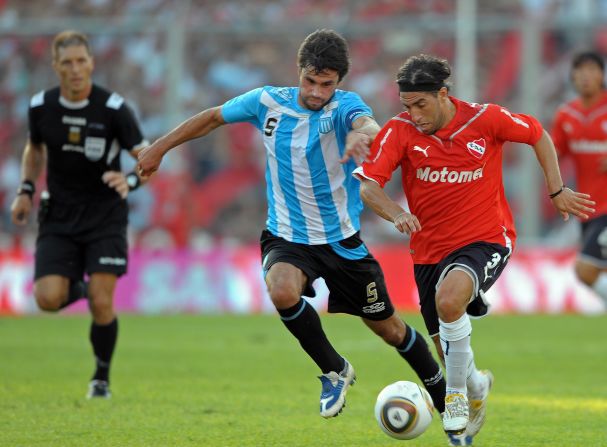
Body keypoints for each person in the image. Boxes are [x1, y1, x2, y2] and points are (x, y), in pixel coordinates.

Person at [137, 29, 447, 420]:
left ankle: (442, 390)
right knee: (281, 289)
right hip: (287, 237)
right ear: (298, 71)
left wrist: (364, 137)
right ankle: (334, 369)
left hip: (341, 242)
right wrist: (158, 147)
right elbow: (212, 118)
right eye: (310, 81)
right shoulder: (266, 101)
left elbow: (368, 125)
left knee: (389, 329)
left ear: (339, 83)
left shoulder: (345, 107)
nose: (317, 92)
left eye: (327, 84)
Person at [354, 54, 595, 445]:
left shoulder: (485, 120)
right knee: (447, 347)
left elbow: (537, 134)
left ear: (443, 94)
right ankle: (476, 386)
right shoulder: (399, 132)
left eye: (421, 104)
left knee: (450, 302)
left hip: (487, 238)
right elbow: (368, 185)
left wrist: (556, 189)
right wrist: (396, 212)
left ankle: (457, 399)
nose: (414, 114)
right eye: (407, 106)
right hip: (428, 252)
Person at [10, 30, 148, 399]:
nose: (75, 69)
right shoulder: (41, 106)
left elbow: (147, 157)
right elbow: (34, 148)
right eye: (67, 62)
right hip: (59, 216)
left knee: (103, 303)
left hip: (105, 215)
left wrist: (131, 181)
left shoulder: (114, 109)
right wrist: (25, 190)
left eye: (81, 61)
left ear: (92, 63)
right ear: (55, 66)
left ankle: (100, 378)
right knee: (47, 299)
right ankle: (87, 286)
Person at [551, 51, 607, 305]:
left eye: (591, 70)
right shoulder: (566, 115)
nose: (585, 76)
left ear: (601, 75)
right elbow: (552, 154)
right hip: (588, 208)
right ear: (572, 76)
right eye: (580, 71)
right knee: (600, 271)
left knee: (585, 269)